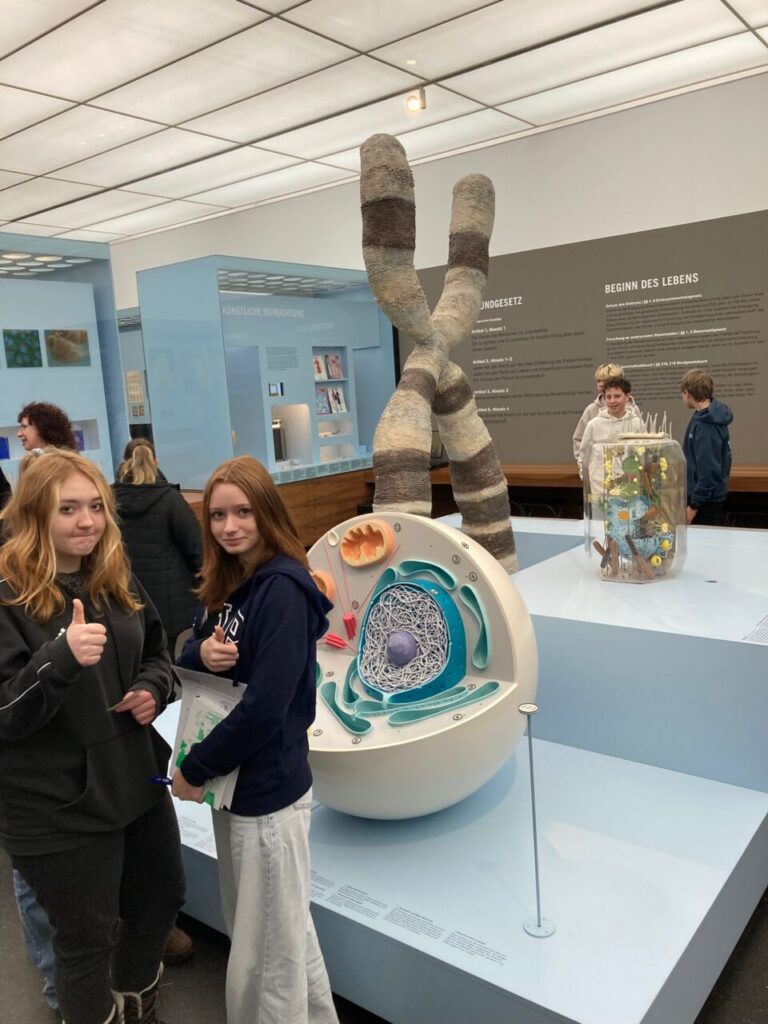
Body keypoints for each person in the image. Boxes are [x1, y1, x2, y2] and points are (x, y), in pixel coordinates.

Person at [0, 448, 185, 1024]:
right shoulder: (6, 593)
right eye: (68, 509)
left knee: (160, 899)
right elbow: (6, 712)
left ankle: (137, 1007)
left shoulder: (112, 576)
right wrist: (58, 659)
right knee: (86, 942)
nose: (87, 521)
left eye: (96, 506)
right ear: (35, 513)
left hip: (133, 780)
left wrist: (154, 687)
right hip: (55, 806)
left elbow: (158, 652)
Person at [172, 455, 339, 1024]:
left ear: (266, 511)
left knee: (264, 959)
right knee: (282, 936)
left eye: (243, 512)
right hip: (237, 791)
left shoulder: (283, 591)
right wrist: (202, 653)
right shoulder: (232, 581)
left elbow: (265, 708)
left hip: (266, 796)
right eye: (218, 515)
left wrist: (195, 768)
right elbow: (189, 650)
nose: (230, 526)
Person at [113, 438, 202, 658]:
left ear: (124, 462)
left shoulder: (109, 500)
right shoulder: (170, 499)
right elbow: (197, 549)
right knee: (169, 665)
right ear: (156, 461)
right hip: (171, 607)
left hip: (126, 604)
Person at [681, 369, 733, 526]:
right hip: (706, 499)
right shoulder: (704, 417)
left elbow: (708, 471)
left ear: (688, 393)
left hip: (705, 503)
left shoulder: (706, 426)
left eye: (683, 393)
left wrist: (694, 506)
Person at [578, 375, 645, 489]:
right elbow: (583, 456)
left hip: (629, 487)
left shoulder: (637, 423)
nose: (612, 401)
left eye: (617, 396)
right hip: (600, 488)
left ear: (627, 397)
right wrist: (585, 478)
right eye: (608, 397)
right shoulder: (593, 425)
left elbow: (643, 454)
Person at [572, 362, 639, 465]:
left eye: (605, 380)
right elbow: (579, 440)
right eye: (598, 380)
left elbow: (641, 440)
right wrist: (585, 466)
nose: (600, 384)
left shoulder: (633, 410)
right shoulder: (592, 409)